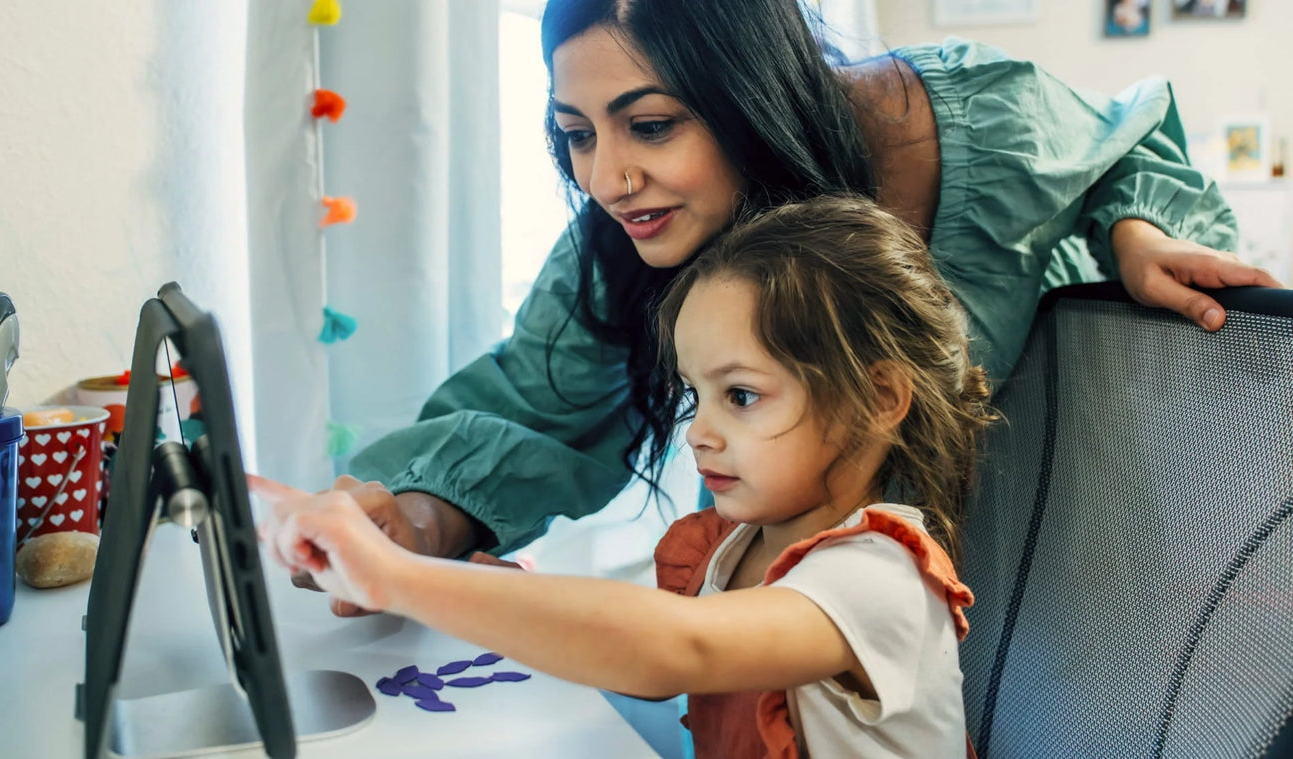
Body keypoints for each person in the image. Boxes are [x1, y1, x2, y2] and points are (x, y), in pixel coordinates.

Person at [295, 0, 1280, 610]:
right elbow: (536, 406)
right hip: (790, 612)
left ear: (752, 92)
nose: (608, 176)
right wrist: (414, 527)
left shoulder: (976, 117)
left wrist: (1133, 228)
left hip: (1041, 571)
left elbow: (1125, 147)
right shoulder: (632, 229)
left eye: (649, 124)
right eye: (576, 134)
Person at [255, 196, 996, 757]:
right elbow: (645, 666)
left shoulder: (881, 574)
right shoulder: (734, 546)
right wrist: (503, 594)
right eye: (695, 396)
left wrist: (393, 576)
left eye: (741, 396)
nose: (699, 431)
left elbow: (677, 648)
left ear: (877, 399)